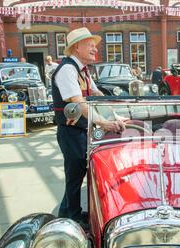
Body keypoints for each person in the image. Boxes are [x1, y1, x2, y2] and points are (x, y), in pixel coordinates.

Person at [52, 27, 126, 225]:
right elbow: (79, 103)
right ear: (77, 47)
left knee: (79, 172)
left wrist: (116, 115)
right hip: (71, 131)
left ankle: (68, 212)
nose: (95, 49)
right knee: (75, 173)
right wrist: (105, 123)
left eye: (95, 46)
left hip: (81, 130)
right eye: (90, 45)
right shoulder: (68, 70)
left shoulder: (83, 71)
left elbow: (97, 95)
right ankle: (72, 217)